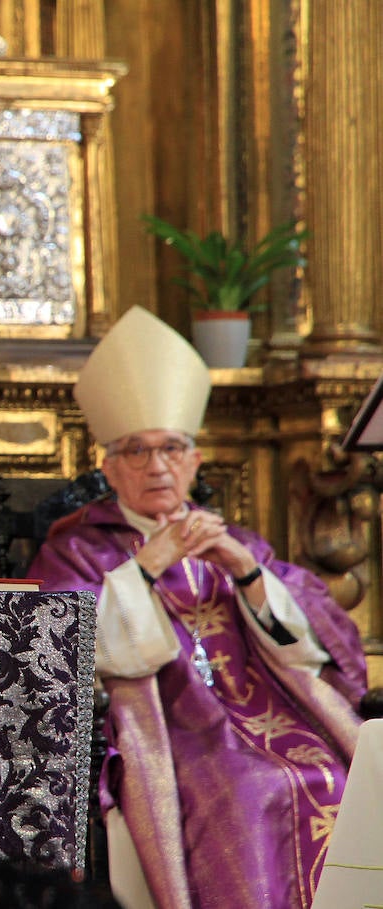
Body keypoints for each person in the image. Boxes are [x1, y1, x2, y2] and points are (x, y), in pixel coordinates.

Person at [27, 306, 365, 909]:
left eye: (171, 449)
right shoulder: (75, 548)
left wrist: (247, 571)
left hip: (277, 721)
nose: (156, 466)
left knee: (336, 779)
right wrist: (145, 569)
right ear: (107, 467)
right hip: (173, 735)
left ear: (194, 461)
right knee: (245, 788)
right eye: (135, 451)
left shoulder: (233, 540)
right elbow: (64, 656)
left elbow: (313, 651)